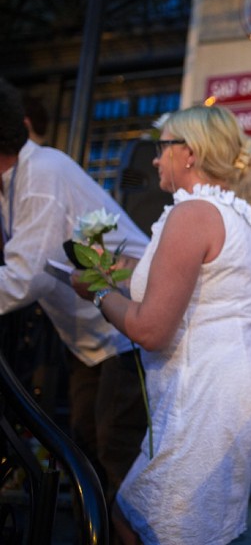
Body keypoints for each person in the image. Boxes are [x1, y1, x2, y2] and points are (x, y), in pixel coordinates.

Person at [73, 104, 251, 544]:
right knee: (135, 516)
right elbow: (176, 276)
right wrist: (116, 267)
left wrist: (98, 293)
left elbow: (150, 330)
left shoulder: (193, 215)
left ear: (189, 153)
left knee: (164, 528)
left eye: (161, 146)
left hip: (208, 395)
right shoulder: (237, 218)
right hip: (233, 391)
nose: (153, 158)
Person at [0, 77, 150, 511]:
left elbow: (27, 277)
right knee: (88, 453)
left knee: (115, 460)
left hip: (125, 334)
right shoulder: (14, 181)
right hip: (87, 342)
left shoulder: (42, 172)